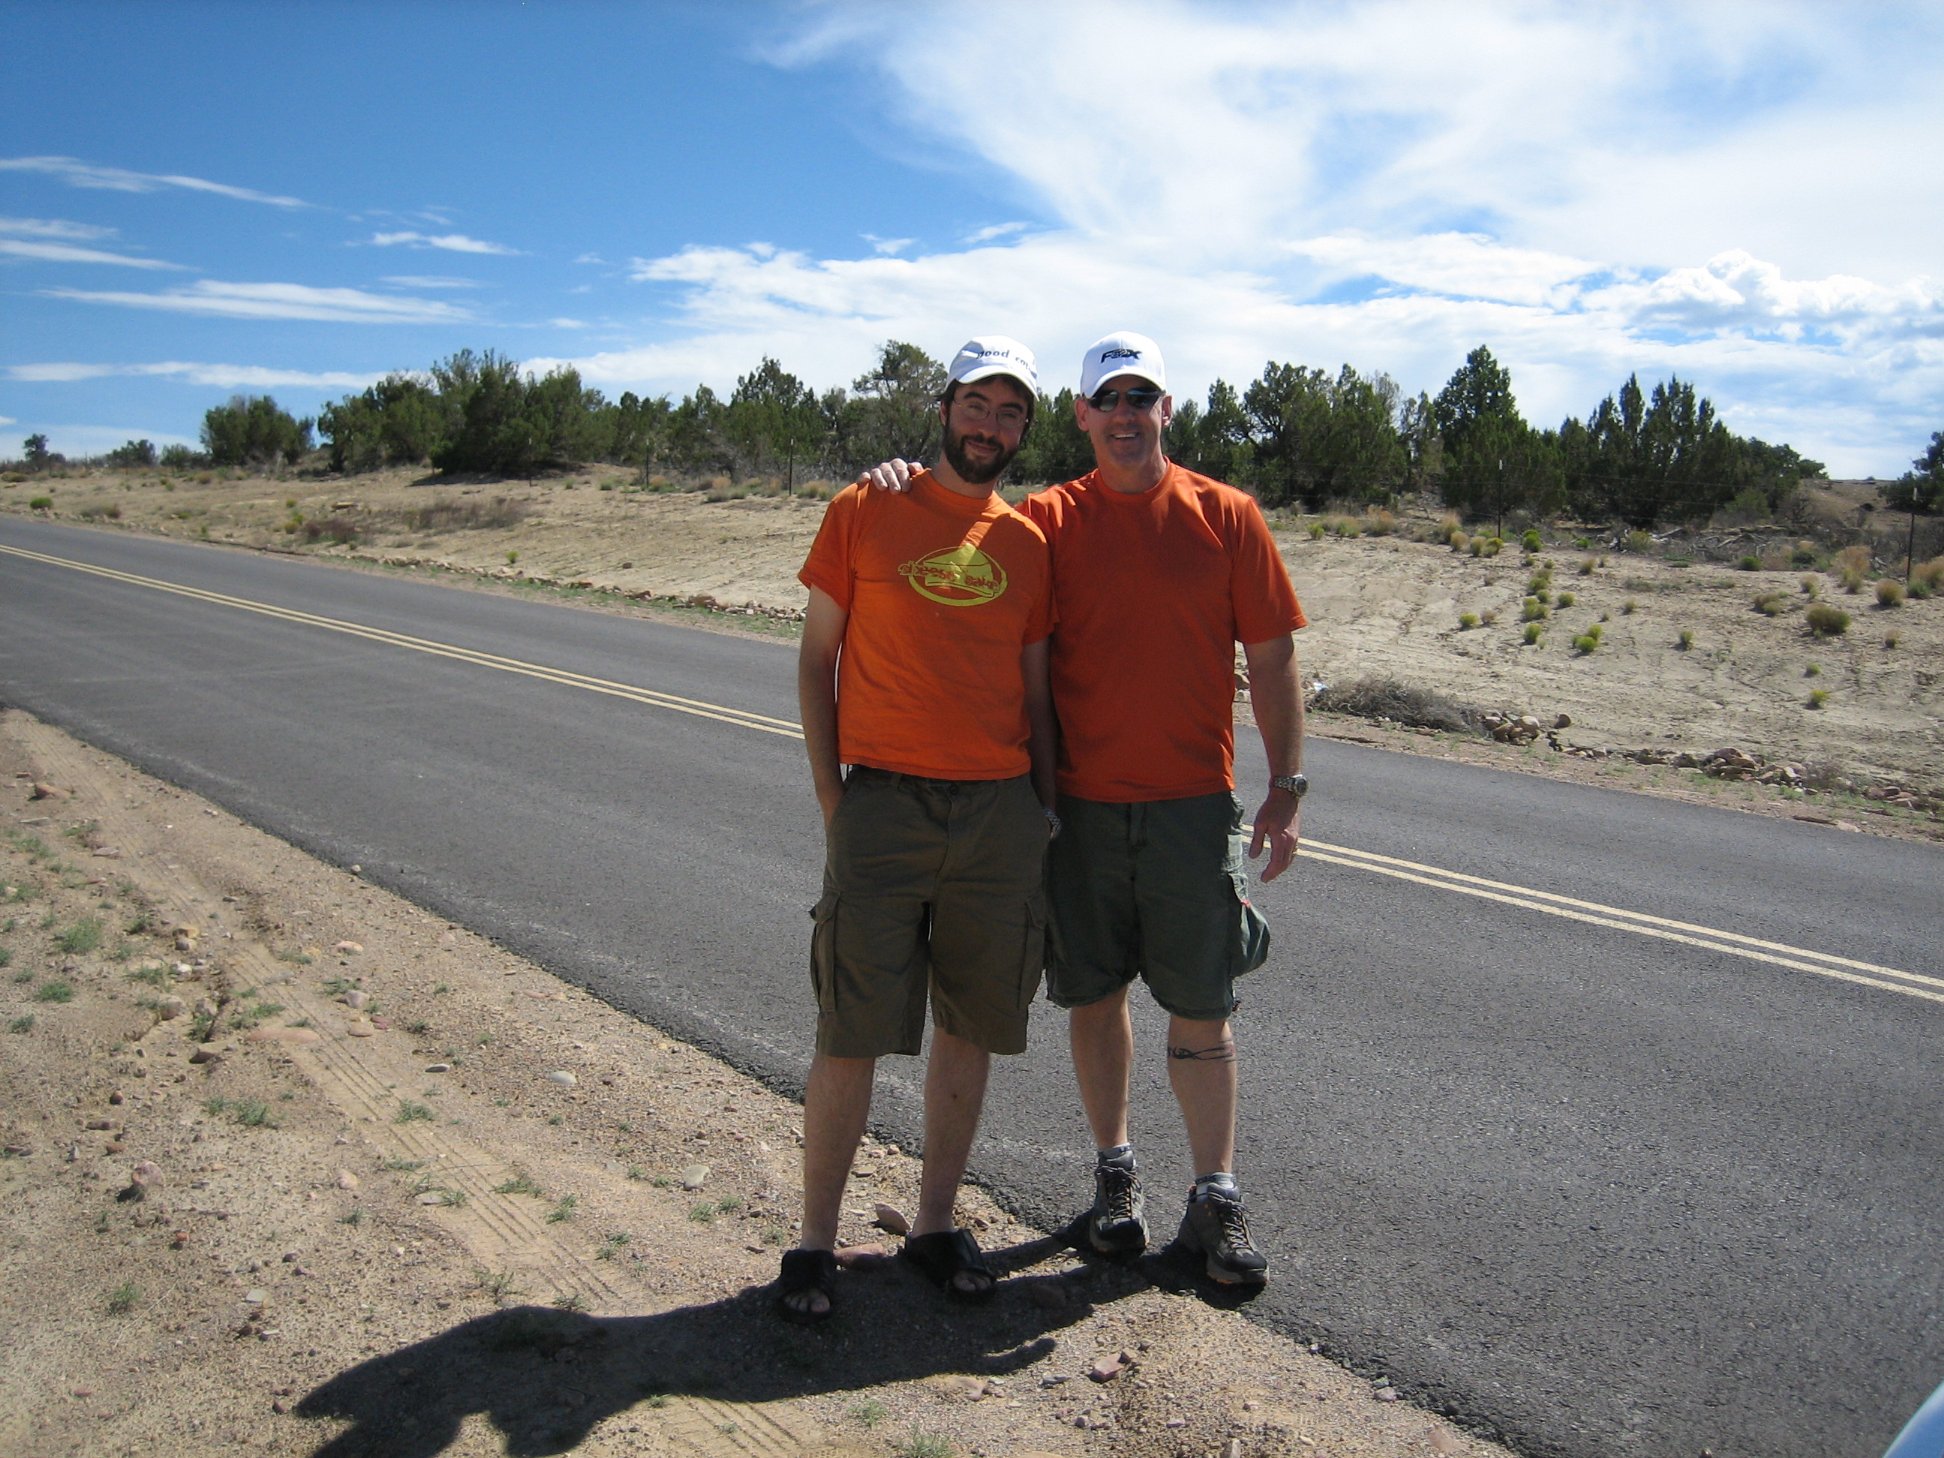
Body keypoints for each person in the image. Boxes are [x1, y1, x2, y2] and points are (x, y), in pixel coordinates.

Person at [861, 330, 1307, 1287]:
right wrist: (899, 478)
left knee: (1201, 1007)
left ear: (1167, 412)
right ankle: (1116, 1179)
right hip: (1079, 813)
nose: (1125, 416)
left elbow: (1271, 657)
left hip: (1193, 807)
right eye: (1108, 400)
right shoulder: (1050, 521)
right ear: (1081, 415)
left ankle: (1215, 1198)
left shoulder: (1227, 517)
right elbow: (960, 537)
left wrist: (1285, 787)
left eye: (1142, 398)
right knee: (1095, 998)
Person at [779, 336, 1059, 1324]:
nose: (991, 426)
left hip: (997, 815)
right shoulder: (866, 508)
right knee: (849, 1029)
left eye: (1011, 411)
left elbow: (1034, 691)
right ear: (943, 409)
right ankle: (813, 1243)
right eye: (977, 405)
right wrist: (832, 797)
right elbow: (816, 659)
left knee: (971, 1027)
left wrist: (1044, 811)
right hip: (883, 807)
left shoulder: (1028, 542)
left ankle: (934, 1226)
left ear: (1025, 428)